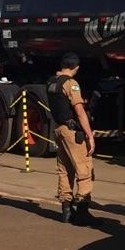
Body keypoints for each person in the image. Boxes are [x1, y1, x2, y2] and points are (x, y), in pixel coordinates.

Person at [46, 52, 96, 224]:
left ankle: (66, 209)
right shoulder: (71, 83)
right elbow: (79, 111)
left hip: (58, 129)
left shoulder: (52, 81)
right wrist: (90, 135)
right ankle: (83, 212)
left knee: (65, 170)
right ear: (76, 67)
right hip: (71, 131)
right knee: (84, 170)